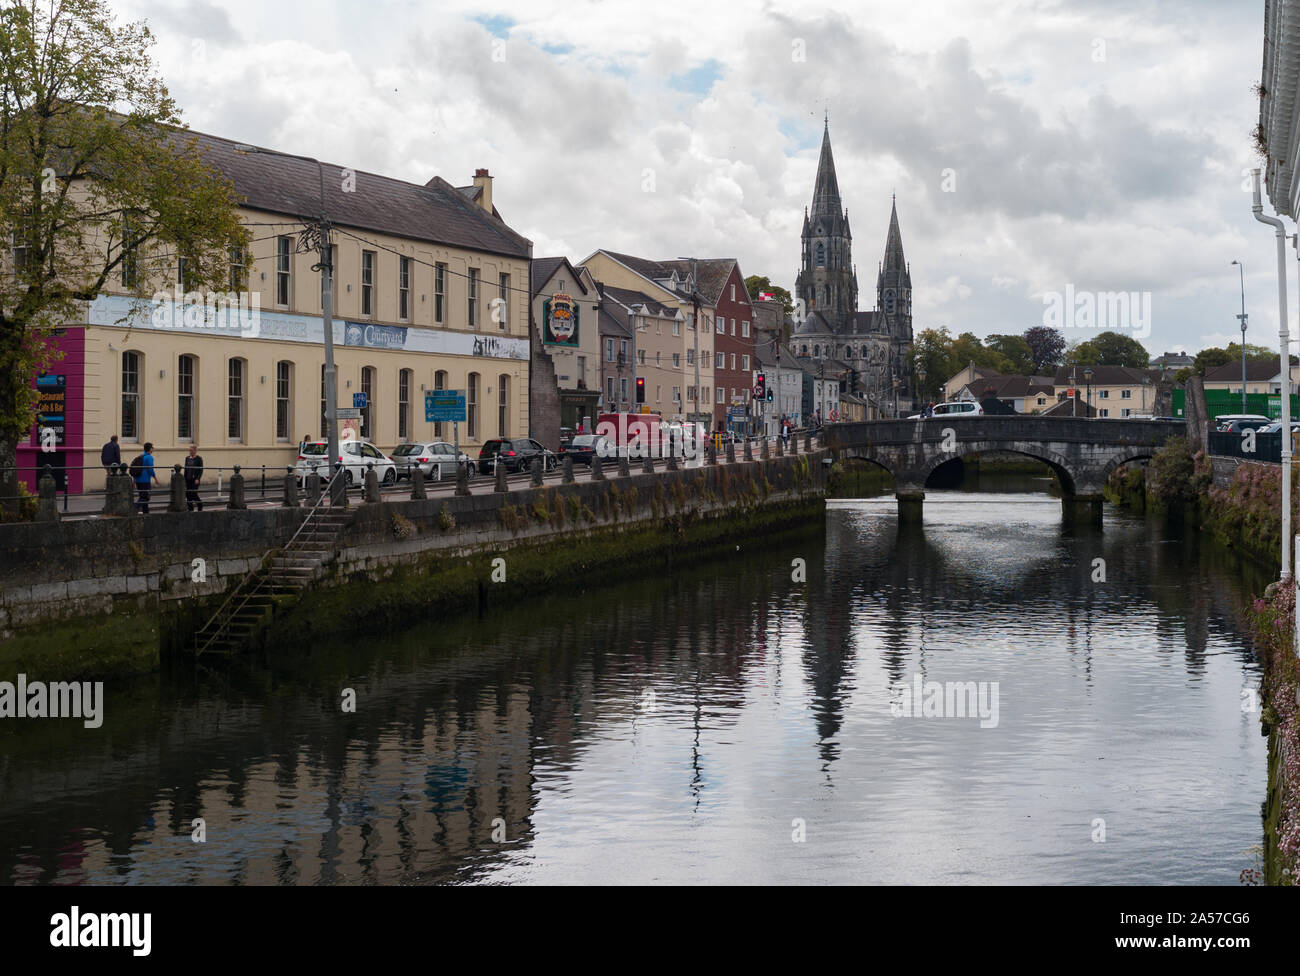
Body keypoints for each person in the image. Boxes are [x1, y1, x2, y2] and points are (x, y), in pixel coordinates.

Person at [134, 441, 159, 514]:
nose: (152, 450)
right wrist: (155, 478)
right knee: (145, 497)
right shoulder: (149, 457)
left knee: (142, 496)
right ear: (150, 449)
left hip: (138, 479)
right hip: (145, 480)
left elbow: (136, 468)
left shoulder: (140, 456)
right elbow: (150, 469)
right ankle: (134, 508)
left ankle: (146, 512)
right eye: (152, 448)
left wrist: (134, 480)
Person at [184, 444, 205, 511]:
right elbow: (186, 469)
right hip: (188, 479)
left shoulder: (199, 459)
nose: (190, 452)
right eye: (190, 450)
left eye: (192, 450)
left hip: (195, 479)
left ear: (195, 451)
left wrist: (198, 478)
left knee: (193, 493)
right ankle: (190, 509)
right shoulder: (187, 458)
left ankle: (200, 504)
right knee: (188, 494)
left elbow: (201, 469)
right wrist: (184, 479)